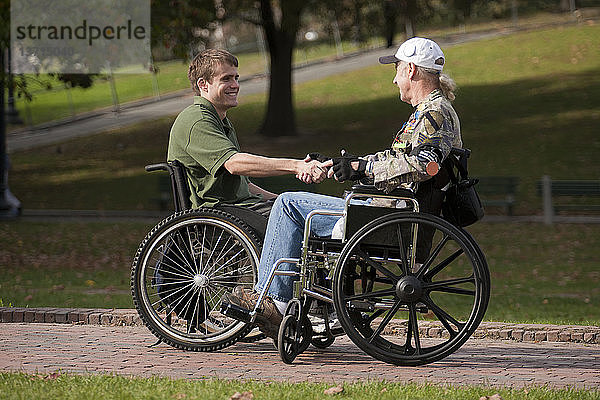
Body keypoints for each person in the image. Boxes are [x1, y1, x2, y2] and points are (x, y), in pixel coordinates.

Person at [224, 37, 463, 339]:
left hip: (389, 215)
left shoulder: (434, 113)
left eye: (398, 70)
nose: (395, 78)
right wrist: (347, 163)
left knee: (287, 204)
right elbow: (397, 159)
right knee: (296, 206)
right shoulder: (432, 110)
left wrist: (361, 169)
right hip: (387, 209)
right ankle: (316, 303)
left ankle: (277, 303)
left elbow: (422, 167)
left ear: (412, 70)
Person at [167, 49, 328, 218]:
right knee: (319, 218)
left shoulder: (219, 120)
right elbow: (234, 164)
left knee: (306, 206)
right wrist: (297, 166)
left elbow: (245, 186)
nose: (235, 85)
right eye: (226, 79)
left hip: (239, 208)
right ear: (203, 84)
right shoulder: (197, 120)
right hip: (219, 215)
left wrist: (283, 199)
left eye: (236, 78)